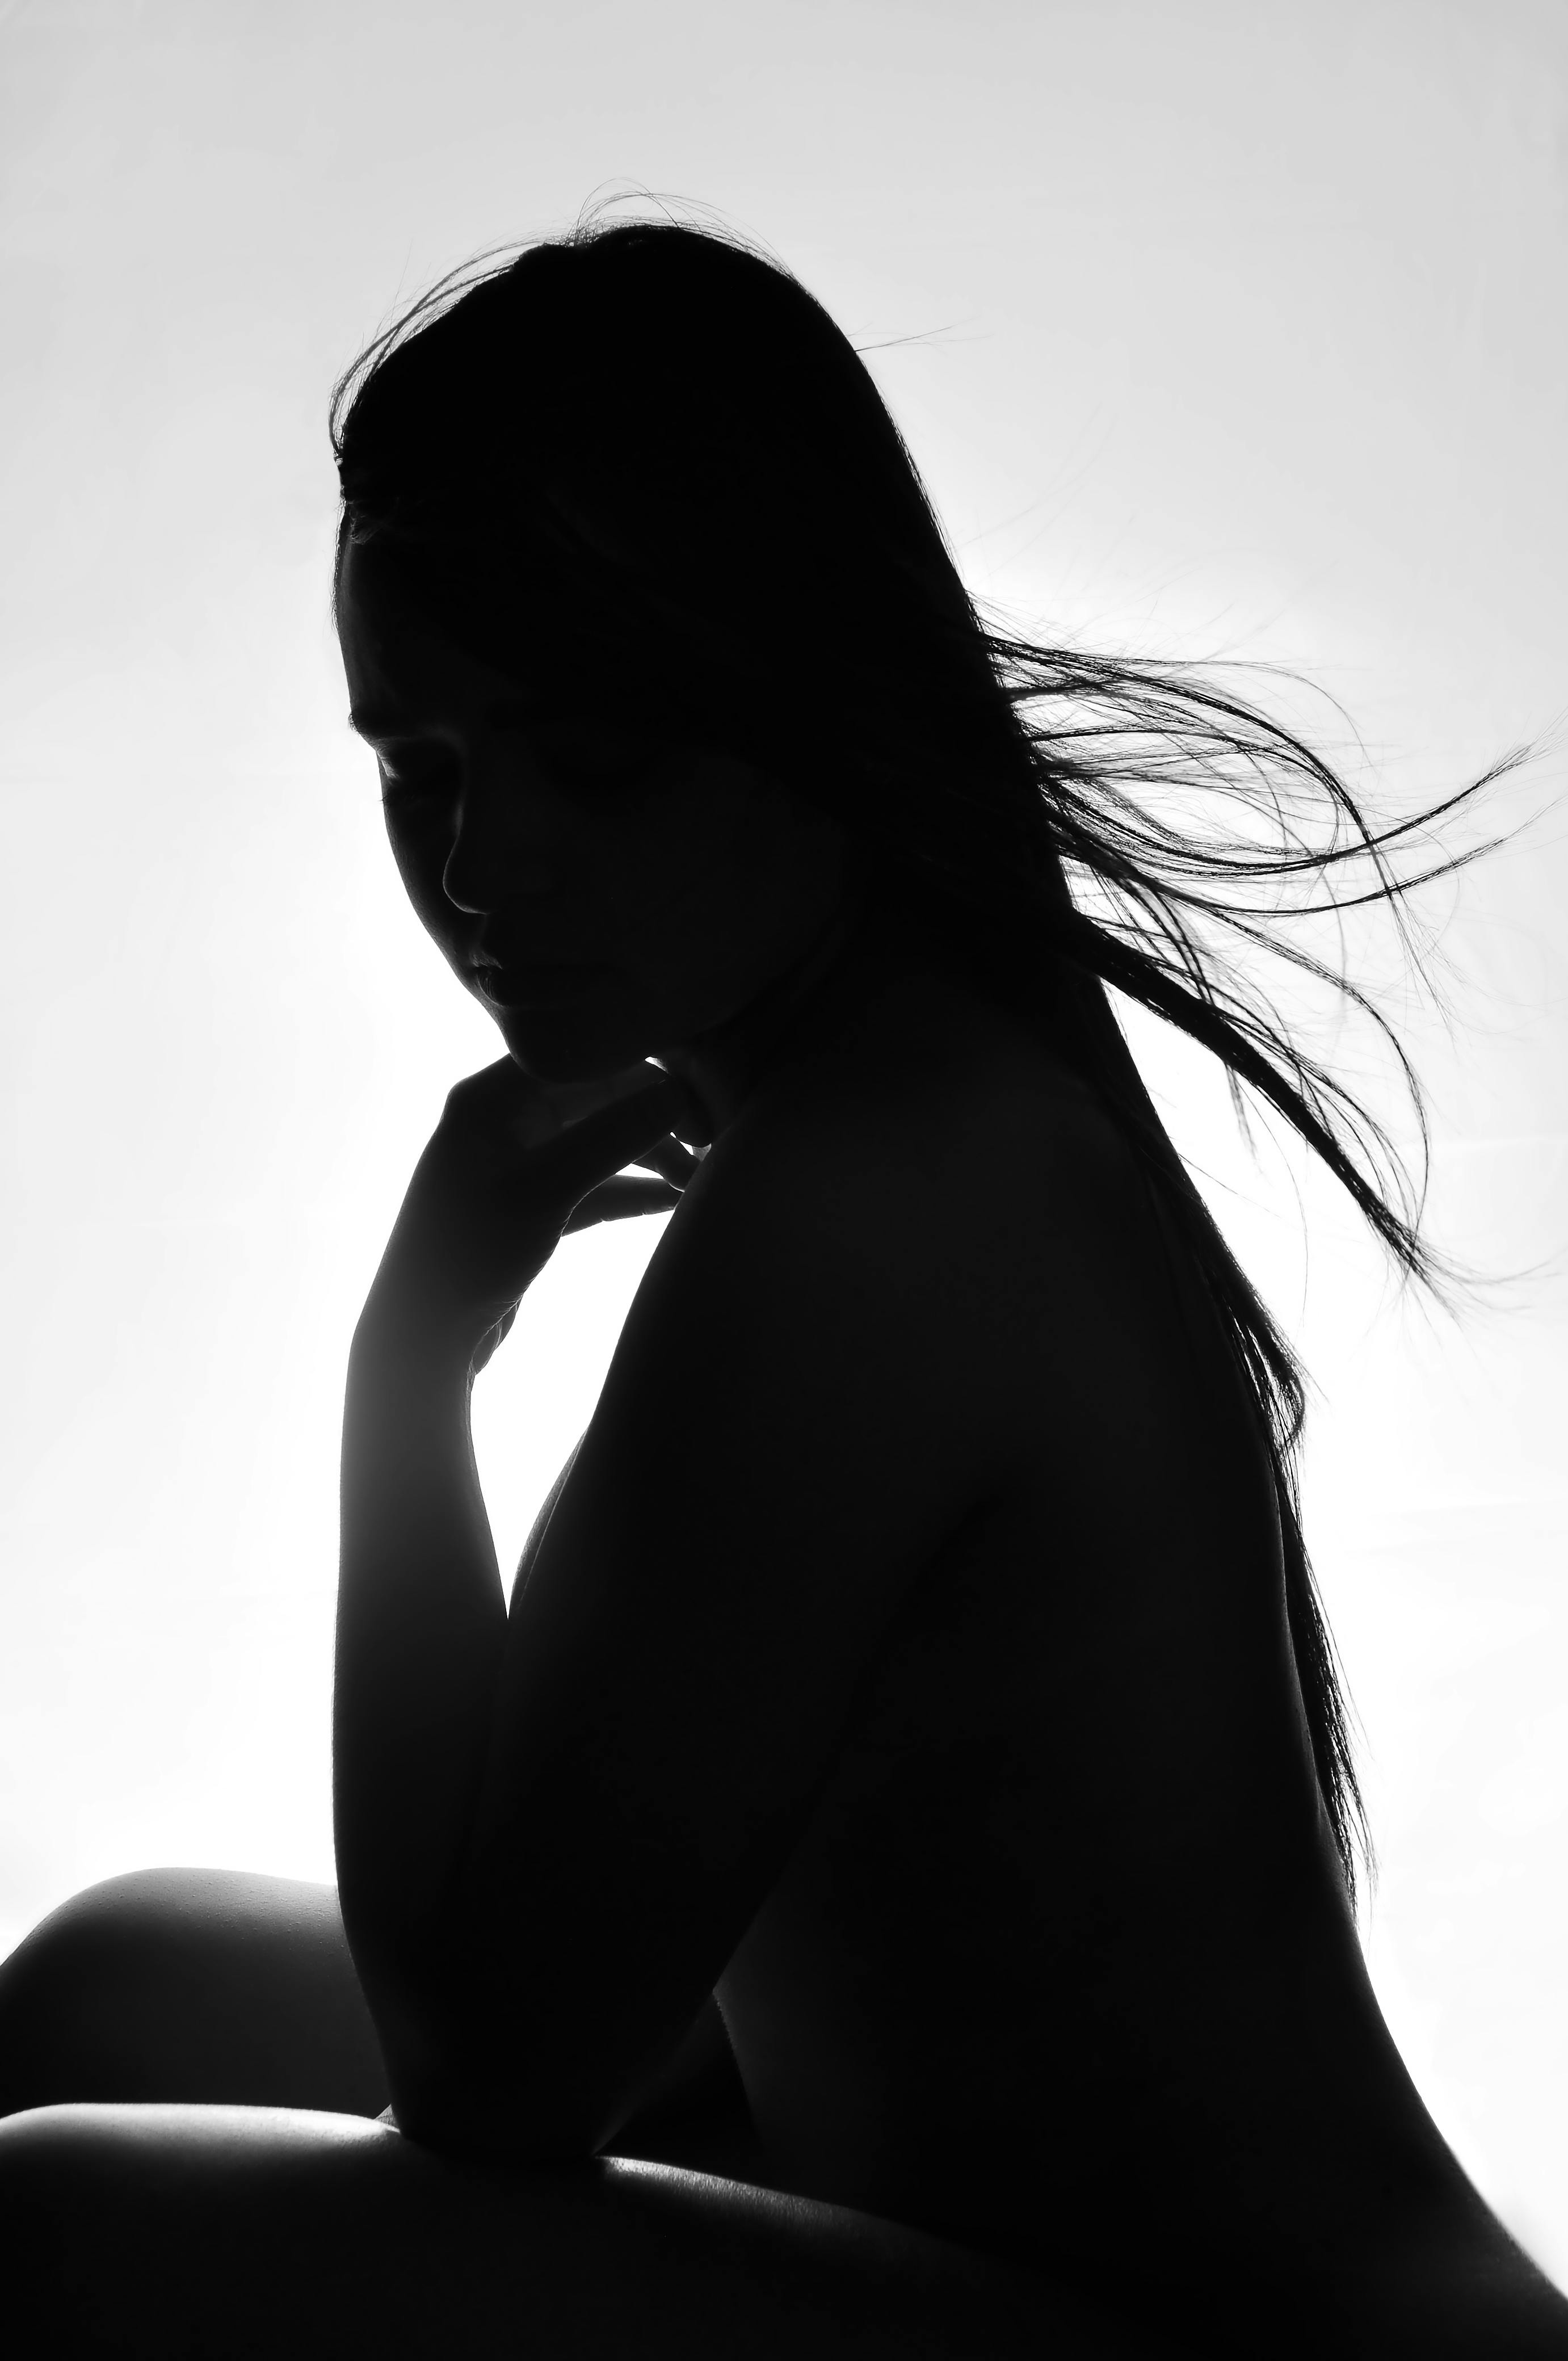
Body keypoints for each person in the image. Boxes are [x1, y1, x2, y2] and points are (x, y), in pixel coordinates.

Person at [0, 201, 1563, 2360]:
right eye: (416, 771)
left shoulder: (873, 1197)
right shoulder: (904, 1105)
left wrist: (410, 1372)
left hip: (1234, 2352)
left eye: (593, 759)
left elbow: (491, 2072)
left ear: (796, 711)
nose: (480, 866)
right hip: (957, 2230)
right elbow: (699, 1997)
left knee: (44, 2232)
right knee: (104, 1982)